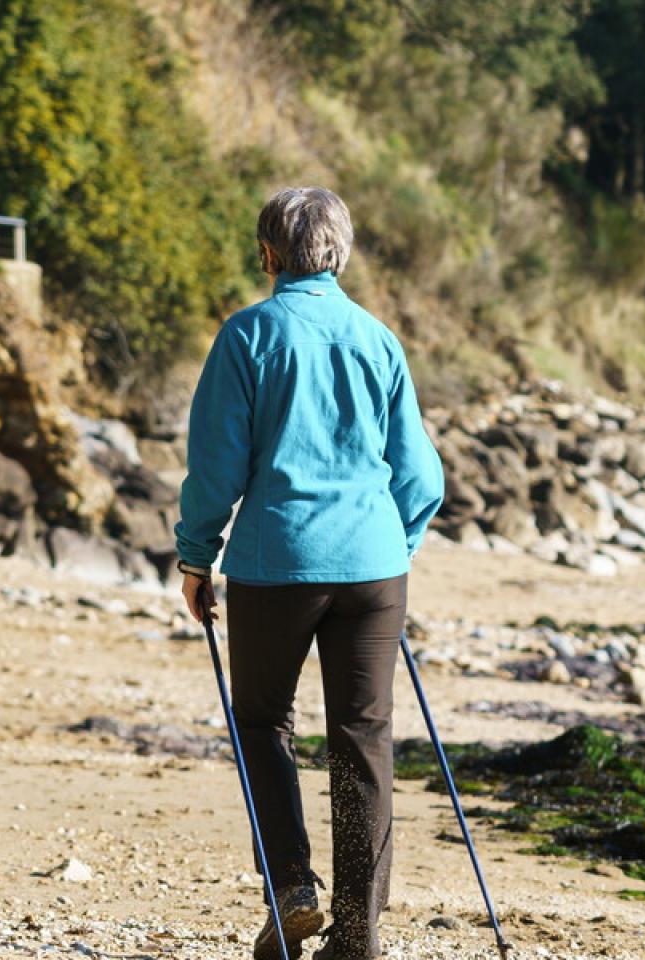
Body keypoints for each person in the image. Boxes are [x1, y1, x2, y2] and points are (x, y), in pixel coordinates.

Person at [174, 186, 444, 960]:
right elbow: (421, 477)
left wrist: (195, 556)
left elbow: (216, 469)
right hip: (374, 568)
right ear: (341, 255)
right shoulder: (378, 340)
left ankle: (293, 886)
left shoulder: (247, 335)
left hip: (276, 562)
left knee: (263, 722)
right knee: (364, 736)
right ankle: (359, 928)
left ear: (269, 255)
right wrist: (395, 548)